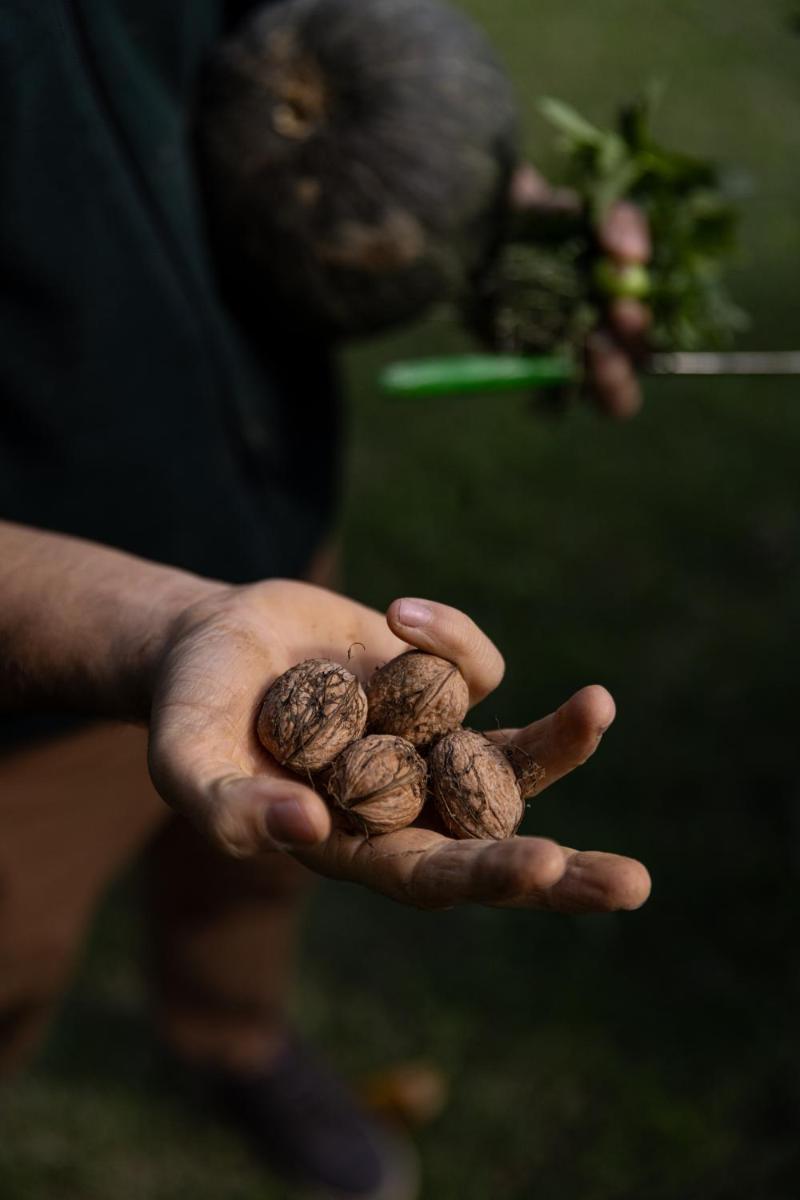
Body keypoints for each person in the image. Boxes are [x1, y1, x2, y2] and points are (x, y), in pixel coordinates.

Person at [0, 2, 651, 1197]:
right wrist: (154, 624)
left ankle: (236, 1040)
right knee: (14, 940)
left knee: (267, 860)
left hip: (277, 563)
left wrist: (457, 207)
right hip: (33, 667)